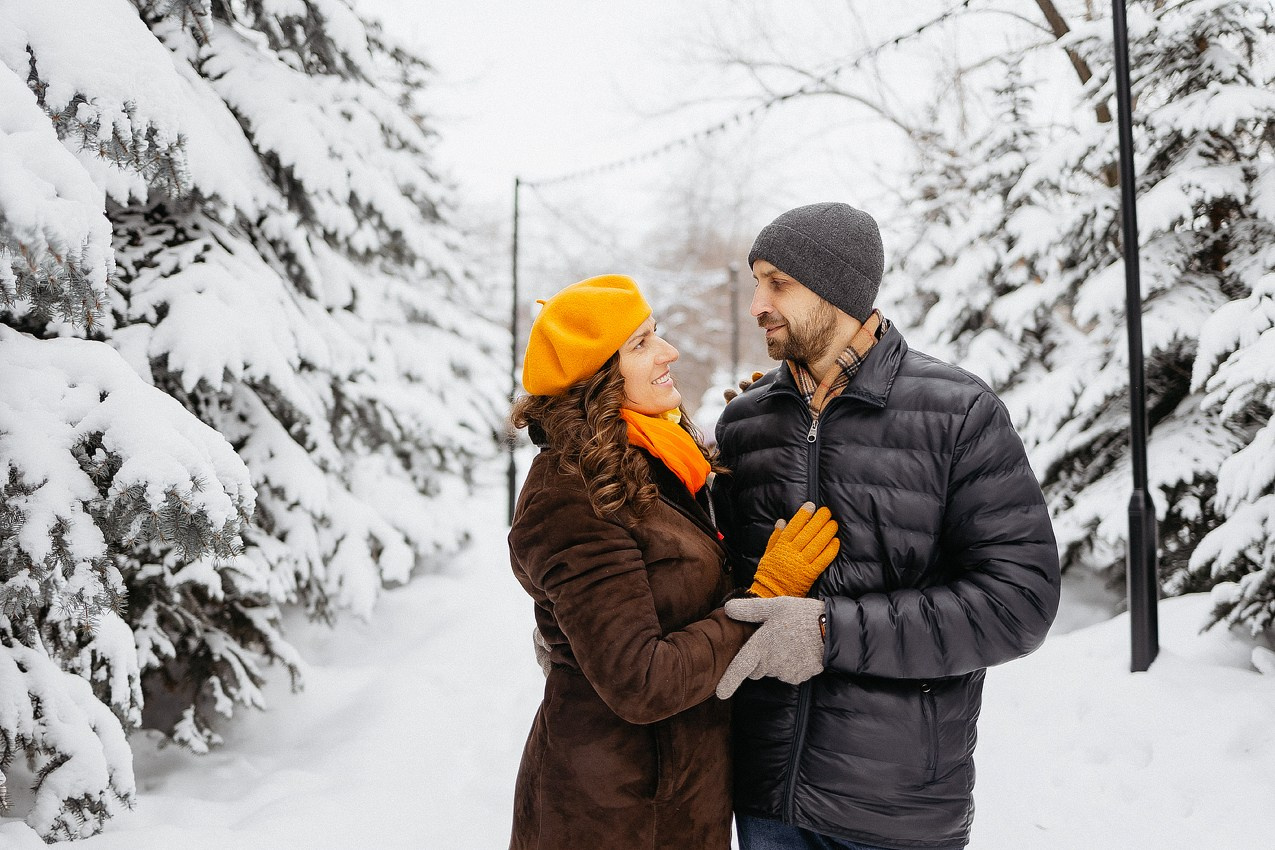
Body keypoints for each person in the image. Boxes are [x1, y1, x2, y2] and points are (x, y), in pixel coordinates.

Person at [711, 203, 1061, 850]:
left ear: (837, 289)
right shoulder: (744, 425)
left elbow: (1018, 603)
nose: (756, 302)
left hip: (894, 811)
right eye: (755, 280)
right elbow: (712, 586)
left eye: (777, 282)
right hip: (765, 800)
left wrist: (826, 632)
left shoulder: (957, 414)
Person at [508, 274, 842, 850]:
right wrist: (760, 602)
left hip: (677, 795)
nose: (669, 352)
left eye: (655, 333)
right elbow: (640, 681)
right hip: (611, 813)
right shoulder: (573, 493)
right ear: (595, 379)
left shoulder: (651, 460)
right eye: (640, 345)